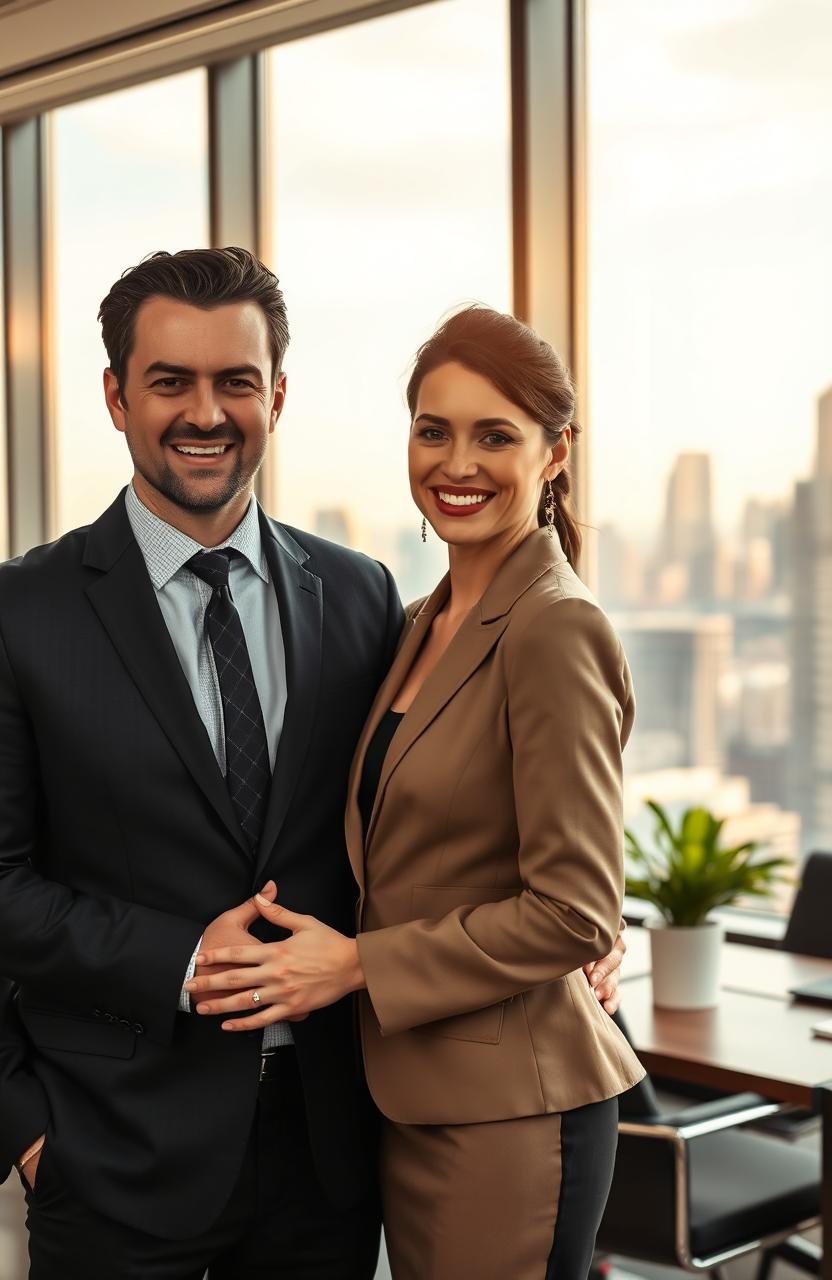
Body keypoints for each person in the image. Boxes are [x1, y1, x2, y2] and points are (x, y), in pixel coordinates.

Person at [0, 252, 627, 1279]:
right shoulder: (23, 610)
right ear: (116, 396)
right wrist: (27, 1126)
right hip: (112, 1150)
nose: (206, 411)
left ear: (276, 396)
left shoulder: (359, 594)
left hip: (336, 1148)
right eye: (170, 381)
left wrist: (596, 925)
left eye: (236, 381)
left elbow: (451, 807)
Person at [188, 305, 645, 1280]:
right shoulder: (412, 621)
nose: (457, 462)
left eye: (495, 435)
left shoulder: (552, 627)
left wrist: (357, 963)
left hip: (511, 1110)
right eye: (433, 429)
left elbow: (573, 906)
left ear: (555, 453)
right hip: (405, 1093)